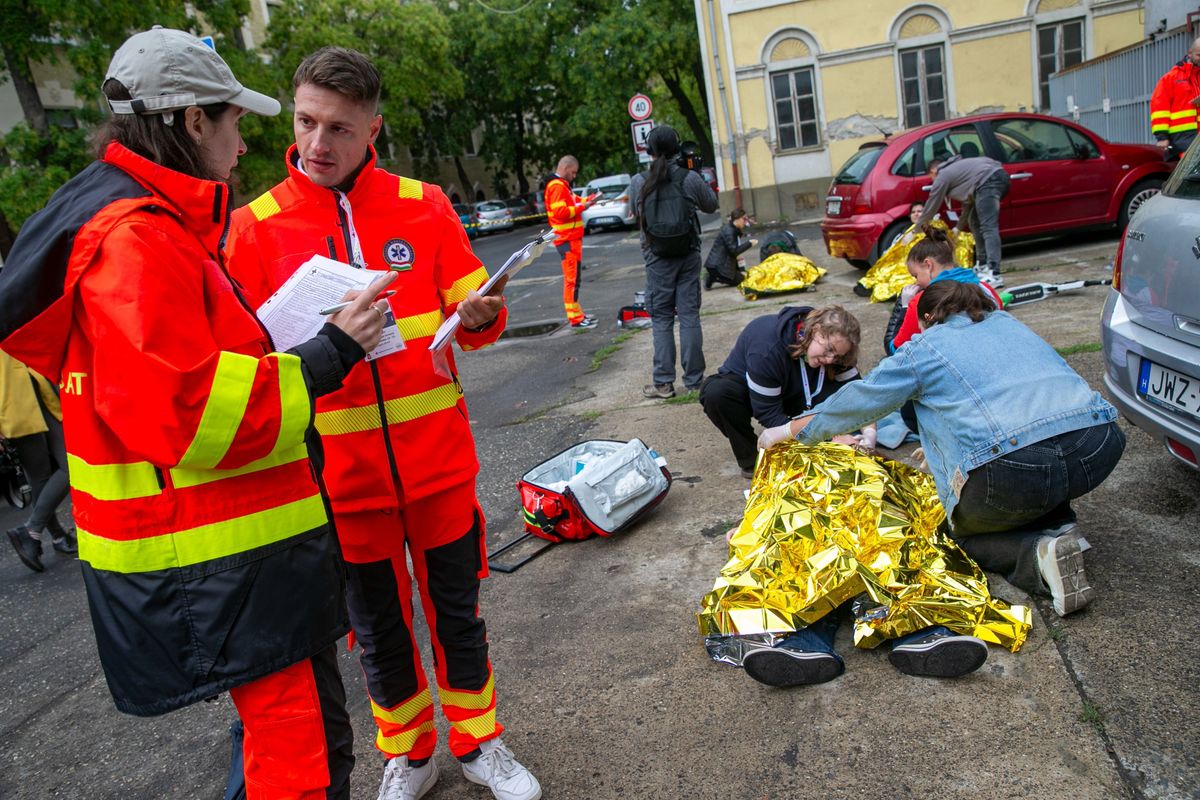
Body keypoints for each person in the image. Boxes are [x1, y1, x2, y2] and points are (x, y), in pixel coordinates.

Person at [0, 27, 395, 799]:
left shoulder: (146, 224)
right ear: (191, 122)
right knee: (300, 766)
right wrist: (331, 351)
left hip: (229, 569)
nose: (246, 142)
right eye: (236, 121)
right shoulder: (138, 241)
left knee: (289, 755)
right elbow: (194, 417)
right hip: (228, 571)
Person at [225, 47, 540, 800]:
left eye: (338, 127)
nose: (316, 144)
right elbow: (247, 359)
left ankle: (480, 744)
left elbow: (474, 306)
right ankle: (411, 751)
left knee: (457, 618)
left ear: (374, 127)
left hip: (437, 465)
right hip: (339, 480)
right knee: (379, 634)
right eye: (305, 122)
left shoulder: (423, 203)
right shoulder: (254, 227)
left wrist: (483, 315)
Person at [764, 280, 1125, 618]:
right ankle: (1062, 526)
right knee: (1041, 463)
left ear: (927, 318)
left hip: (1016, 466)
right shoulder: (1009, 324)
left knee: (952, 534)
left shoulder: (926, 347)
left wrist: (789, 430)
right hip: (1098, 446)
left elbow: (858, 401)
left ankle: (1036, 556)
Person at [699, 306, 874, 478]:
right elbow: (768, 413)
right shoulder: (766, 347)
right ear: (815, 330)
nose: (830, 359)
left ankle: (810, 443)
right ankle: (753, 460)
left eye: (837, 356)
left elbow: (858, 396)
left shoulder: (838, 343)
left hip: (801, 395)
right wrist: (831, 439)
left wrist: (869, 432)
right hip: (756, 394)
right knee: (717, 393)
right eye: (829, 350)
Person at [628, 125, 719, 399]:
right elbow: (711, 204)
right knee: (689, 315)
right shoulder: (688, 177)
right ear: (677, 149)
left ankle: (663, 383)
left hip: (656, 258)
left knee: (662, 319)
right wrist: (697, 173)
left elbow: (635, 212)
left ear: (650, 151)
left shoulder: (638, 181)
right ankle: (694, 381)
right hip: (688, 255)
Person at [2, 351, 75, 571]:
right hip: (11, 400)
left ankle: (38, 533)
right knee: (47, 472)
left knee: (70, 462)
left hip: (38, 385)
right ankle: (41, 532)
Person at [886, 224, 1004, 356]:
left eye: (916, 275)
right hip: (993, 354)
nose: (916, 282)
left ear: (928, 265)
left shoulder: (922, 302)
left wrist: (904, 307)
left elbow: (897, 350)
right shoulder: (986, 289)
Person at [910, 153, 1009, 288]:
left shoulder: (943, 175)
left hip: (989, 182)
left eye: (931, 178)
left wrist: (916, 230)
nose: (933, 181)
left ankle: (994, 272)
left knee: (988, 226)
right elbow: (968, 205)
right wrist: (958, 227)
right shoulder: (960, 172)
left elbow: (932, 204)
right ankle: (983, 264)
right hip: (994, 178)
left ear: (933, 171)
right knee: (974, 221)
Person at [543, 155, 598, 329]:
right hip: (567, 239)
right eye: (573, 172)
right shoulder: (558, 186)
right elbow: (561, 212)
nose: (574, 176)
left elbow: (574, 200)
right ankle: (575, 318)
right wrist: (585, 206)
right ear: (566, 168)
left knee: (574, 279)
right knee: (571, 280)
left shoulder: (562, 186)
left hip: (570, 239)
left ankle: (578, 315)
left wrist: (590, 200)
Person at [1150, 37, 1200, 160]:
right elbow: (1159, 107)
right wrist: (1162, 137)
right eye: (1199, 55)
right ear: (1190, 53)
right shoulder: (1171, 78)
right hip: (1183, 139)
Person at [703, 208, 757, 289]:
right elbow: (734, 251)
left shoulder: (733, 229)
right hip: (718, 267)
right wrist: (749, 244)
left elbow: (735, 252)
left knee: (743, 272)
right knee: (742, 280)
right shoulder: (729, 231)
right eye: (744, 219)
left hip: (721, 264)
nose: (746, 222)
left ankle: (714, 276)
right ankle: (711, 278)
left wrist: (741, 270)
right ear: (737, 219)